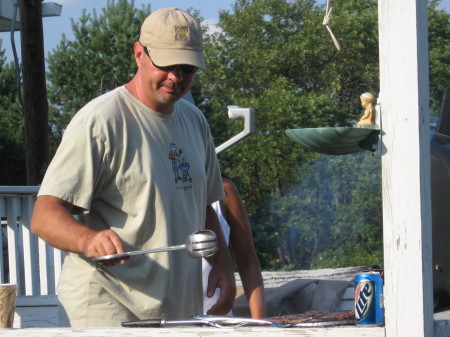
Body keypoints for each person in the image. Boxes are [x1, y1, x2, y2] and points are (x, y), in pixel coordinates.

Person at [30, 7, 236, 327]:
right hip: (108, 303)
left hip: (177, 307)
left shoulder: (195, 122)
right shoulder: (101, 121)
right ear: (139, 53)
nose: (176, 77)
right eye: (166, 64)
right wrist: (87, 240)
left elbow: (203, 205)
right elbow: (44, 215)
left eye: (187, 68)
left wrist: (222, 261)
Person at [202, 174, 266, 318]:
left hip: (217, 324)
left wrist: (261, 324)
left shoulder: (224, 191)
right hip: (163, 322)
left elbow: (247, 262)